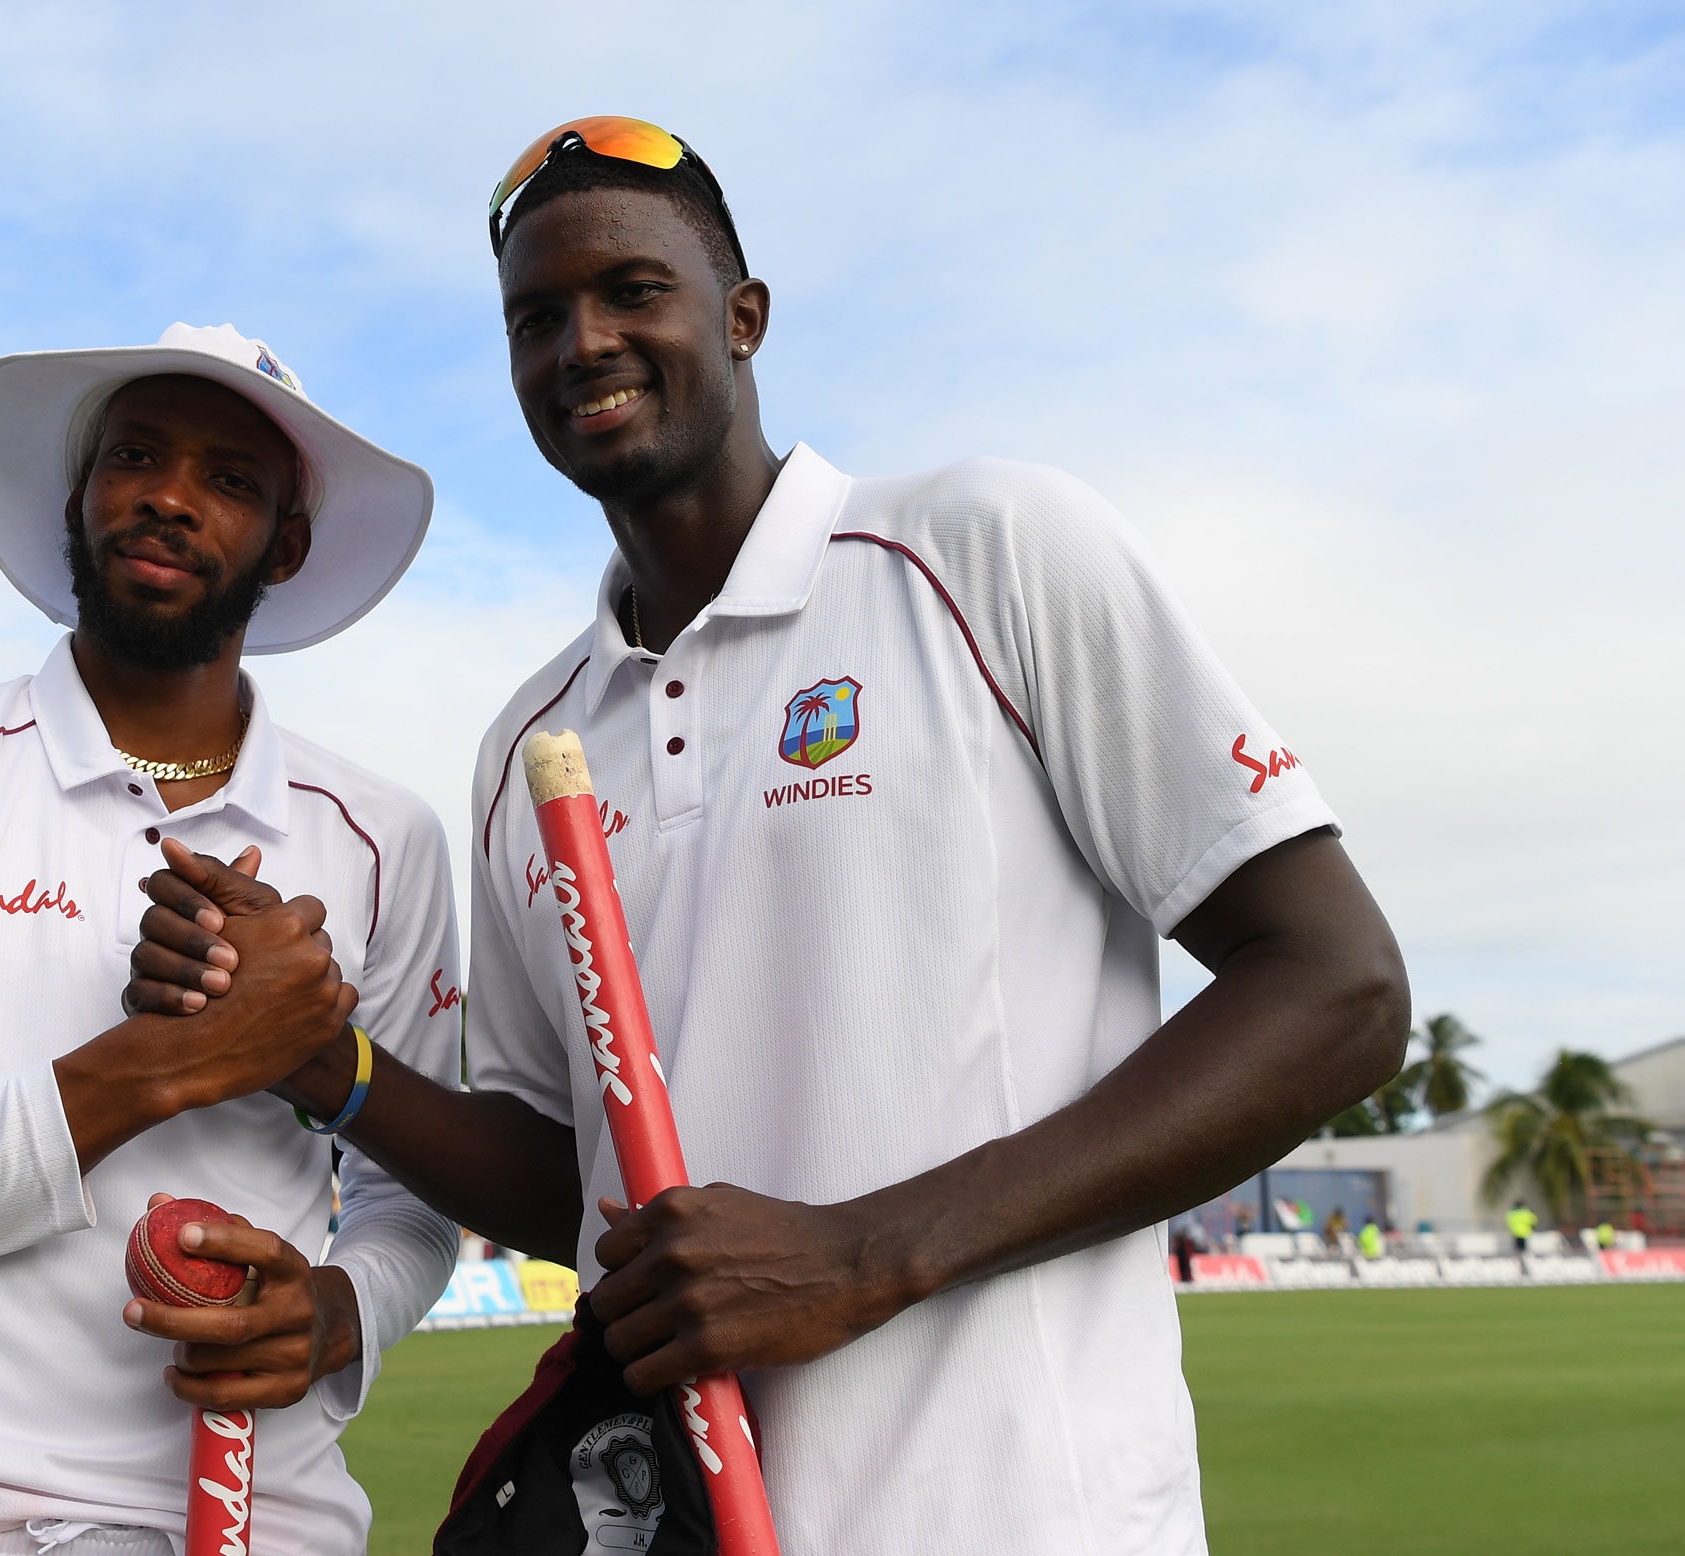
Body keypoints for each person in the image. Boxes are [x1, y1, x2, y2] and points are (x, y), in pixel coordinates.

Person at [130, 117, 1410, 1555]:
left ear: (744, 319)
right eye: (537, 318)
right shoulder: (526, 745)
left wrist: (867, 1250)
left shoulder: (984, 552)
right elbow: (589, 1186)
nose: (584, 342)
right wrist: (329, 1062)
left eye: (632, 291)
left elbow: (1340, 990)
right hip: (685, 1523)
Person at [0, 321, 461, 1556]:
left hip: (254, 1517)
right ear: (81, 493)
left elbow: (414, 1204)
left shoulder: (387, 836)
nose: (170, 496)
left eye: (231, 478)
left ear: (285, 544)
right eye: (137, 455)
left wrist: (340, 1311)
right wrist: (172, 1062)